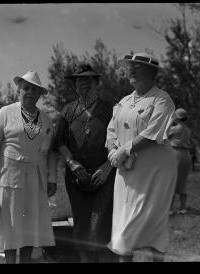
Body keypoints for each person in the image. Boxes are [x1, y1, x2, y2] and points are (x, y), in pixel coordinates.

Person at [106, 52, 177, 262]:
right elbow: (111, 130)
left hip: (154, 172)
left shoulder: (162, 99)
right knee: (124, 225)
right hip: (127, 172)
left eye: (138, 67)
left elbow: (154, 132)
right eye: (130, 67)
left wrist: (124, 149)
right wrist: (113, 150)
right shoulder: (124, 101)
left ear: (152, 73)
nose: (132, 71)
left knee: (153, 223)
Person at [0, 70, 57, 264]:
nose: (30, 92)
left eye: (34, 89)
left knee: (29, 228)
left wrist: (51, 179)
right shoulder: (5, 113)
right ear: (19, 90)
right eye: (26, 88)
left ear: (40, 94)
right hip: (9, 177)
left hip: (35, 178)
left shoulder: (46, 120)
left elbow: (50, 152)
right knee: (10, 226)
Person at [54, 64, 116, 263]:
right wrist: (72, 163)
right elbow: (59, 141)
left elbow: (120, 141)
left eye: (89, 81)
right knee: (81, 221)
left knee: (101, 222)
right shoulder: (68, 110)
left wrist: (107, 167)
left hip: (104, 175)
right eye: (80, 81)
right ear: (75, 86)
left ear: (97, 84)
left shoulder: (110, 109)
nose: (84, 84)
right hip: (76, 177)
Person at [169, 108, 192, 215]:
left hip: (175, 154)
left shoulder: (173, 129)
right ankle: (183, 208)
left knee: (172, 181)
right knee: (183, 181)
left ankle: (169, 209)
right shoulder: (188, 130)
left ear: (176, 117)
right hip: (186, 155)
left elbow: (163, 137)